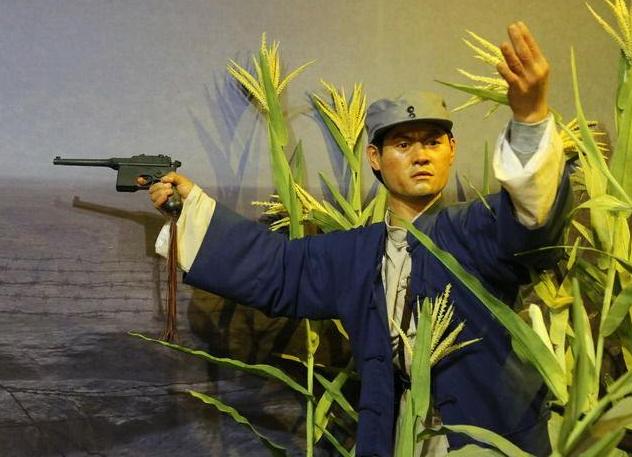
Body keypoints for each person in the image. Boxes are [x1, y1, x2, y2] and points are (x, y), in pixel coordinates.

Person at [142, 22, 570, 456]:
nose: (421, 155)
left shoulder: (478, 228)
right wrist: (189, 207)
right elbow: (277, 268)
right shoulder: (356, 254)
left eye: (432, 142)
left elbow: (530, 221)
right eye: (403, 144)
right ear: (375, 158)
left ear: (452, 149)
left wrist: (530, 120)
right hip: (398, 438)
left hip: (488, 442)